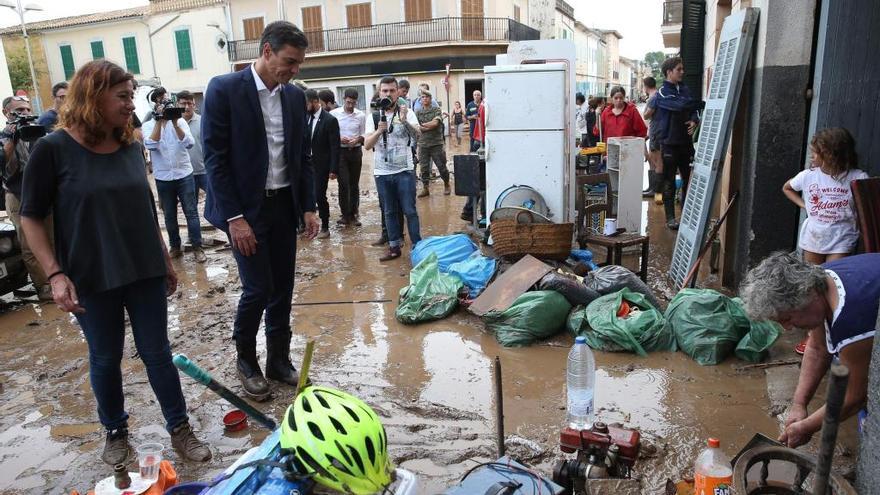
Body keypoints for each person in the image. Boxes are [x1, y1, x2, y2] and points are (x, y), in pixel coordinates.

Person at [19, 60, 211, 465]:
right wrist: (55, 274)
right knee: (105, 356)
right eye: (122, 97)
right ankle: (115, 431)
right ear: (93, 96)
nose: (130, 105)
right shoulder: (52, 150)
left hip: (143, 268)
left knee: (157, 351)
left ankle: (180, 428)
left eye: (131, 97)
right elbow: (30, 217)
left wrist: (165, 259)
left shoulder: (130, 145)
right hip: (91, 272)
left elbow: (144, 206)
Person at [202, 21, 318, 398]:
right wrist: (234, 218)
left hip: (284, 205)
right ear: (266, 51)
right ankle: (247, 360)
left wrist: (310, 206)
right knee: (257, 287)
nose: (294, 70)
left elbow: (303, 156)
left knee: (282, 286)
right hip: (246, 211)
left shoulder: (294, 97)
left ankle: (278, 360)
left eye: (299, 63)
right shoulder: (224, 90)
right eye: (289, 61)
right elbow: (215, 160)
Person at [740, 251, 879, 448]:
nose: (787, 328)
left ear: (807, 295)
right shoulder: (819, 278)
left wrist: (808, 426)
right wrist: (799, 405)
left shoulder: (851, 321)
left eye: (787, 318)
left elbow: (854, 396)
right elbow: (817, 348)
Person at [783, 128, 868, 265]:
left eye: (816, 152)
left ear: (831, 155)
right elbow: (787, 188)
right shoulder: (808, 176)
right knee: (812, 276)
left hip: (842, 236)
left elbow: (866, 208)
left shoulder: (857, 178)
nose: (812, 155)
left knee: (833, 274)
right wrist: (804, 205)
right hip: (814, 236)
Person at [142, 92, 206, 263]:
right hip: (163, 177)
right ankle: (175, 247)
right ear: (154, 108)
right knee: (169, 215)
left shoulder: (181, 122)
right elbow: (151, 145)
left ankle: (198, 247)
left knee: (191, 213)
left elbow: (189, 143)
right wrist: (160, 122)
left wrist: (175, 123)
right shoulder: (148, 125)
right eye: (158, 105)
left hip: (184, 174)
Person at [1, 95, 53, 300]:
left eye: (26, 110)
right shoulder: (3, 137)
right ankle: (44, 286)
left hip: (43, 193)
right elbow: (5, 165)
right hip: (17, 194)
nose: (24, 114)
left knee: (53, 238)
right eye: (18, 111)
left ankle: (60, 277)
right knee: (29, 243)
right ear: (6, 113)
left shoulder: (40, 133)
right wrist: (12, 138)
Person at [364, 75, 421, 262]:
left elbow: (417, 136)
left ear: (398, 92)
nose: (388, 94)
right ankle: (394, 246)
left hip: (405, 170)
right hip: (382, 172)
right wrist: (379, 130)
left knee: (409, 210)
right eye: (384, 91)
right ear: (379, 93)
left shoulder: (407, 112)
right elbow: (366, 145)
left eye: (391, 90)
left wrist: (404, 120)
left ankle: (418, 246)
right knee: (388, 211)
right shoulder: (372, 116)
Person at [652, 57, 701, 230]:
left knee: (689, 179)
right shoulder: (663, 92)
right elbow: (680, 106)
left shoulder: (685, 89)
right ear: (669, 72)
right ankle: (670, 218)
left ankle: (686, 215)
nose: (682, 72)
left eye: (682, 69)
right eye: (679, 69)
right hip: (669, 143)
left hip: (686, 143)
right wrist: (698, 104)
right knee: (669, 181)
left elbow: (693, 110)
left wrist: (694, 120)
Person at [305, 88, 340, 239]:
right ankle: (305, 225)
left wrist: (333, 169)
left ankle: (325, 226)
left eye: (306, 104)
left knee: (319, 195)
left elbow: (335, 146)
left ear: (315, 102)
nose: (304, 107)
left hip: (321, 165)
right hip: (306, 164)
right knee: (305, 195)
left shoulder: (329, 120)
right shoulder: (305, 117)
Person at [330, 88, 365, 227]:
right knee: (343, 184)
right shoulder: (334, 114)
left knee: (354, 184)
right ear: (344, 99)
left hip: (356, 151)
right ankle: (345, 214)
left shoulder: (361, 115)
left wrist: (357, 140)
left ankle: (353, 213)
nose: (350, 105)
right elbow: (330, 134)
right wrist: (339, 138)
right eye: (348, 102)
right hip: (341, 152)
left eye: (353, 103)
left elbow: (364, 134)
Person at [415, 90, 451, 197]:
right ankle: (425, 188)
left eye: (426, 97)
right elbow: (416, 127)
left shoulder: (436, 110)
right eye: (422, 97)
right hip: (423, 144)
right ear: (420, 100)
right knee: (424, 168)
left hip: (436, 144)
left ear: (430, 99)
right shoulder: (417, 112)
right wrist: (424, 127)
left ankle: (446, 184)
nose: (424, 99)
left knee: (441, 166)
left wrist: (423, 126)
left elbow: (435, 124)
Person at [177, 91, 206, 200]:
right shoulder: (174, 124)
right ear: (177, 105)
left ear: (194, 105)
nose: (187, 107)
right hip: (186, 174)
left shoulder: (203, 121)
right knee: (191, 207)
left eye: (190, 104)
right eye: (183, 104)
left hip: (205, 170)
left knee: (217, 201)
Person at [641, 76, 663, 202]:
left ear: (646, 86)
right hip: (654, 132)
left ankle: (656, 192)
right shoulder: (658, 96)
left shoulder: (653, 98)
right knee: (652, 162)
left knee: (656, 163)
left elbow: (646, 115)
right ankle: (652, 189)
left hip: (655, 133)